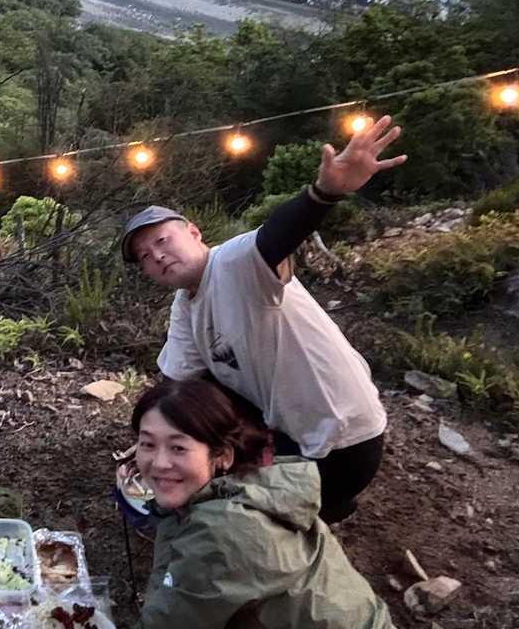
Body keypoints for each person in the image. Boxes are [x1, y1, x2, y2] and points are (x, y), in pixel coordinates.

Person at [121, 115, 406, 523]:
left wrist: (323, 194)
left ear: (194, 233)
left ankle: (324, 508)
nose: (157, 256)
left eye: (162, 241)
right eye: (146, 257)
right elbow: (177, 383)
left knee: (233, 519)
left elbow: (275, 237)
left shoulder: (234, 262)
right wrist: (152, 441)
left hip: (344, 439)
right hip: (288, 433)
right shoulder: (186, 304)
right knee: (207, 423)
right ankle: (319, 504)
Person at [123, 379, 396, 628]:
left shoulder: (224, 531)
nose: (159, 463)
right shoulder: (248, 488)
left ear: (222, 456)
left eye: (178, 448)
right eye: (147, 445)